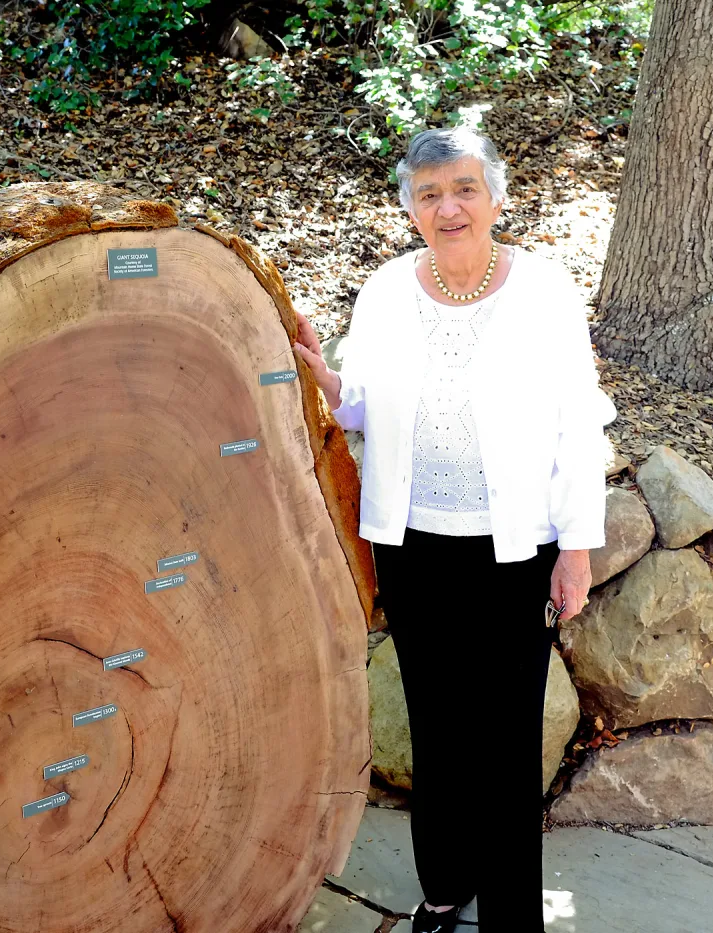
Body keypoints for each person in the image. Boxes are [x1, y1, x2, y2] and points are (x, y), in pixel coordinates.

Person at [291, 127, 616, 933]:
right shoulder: (385, 290)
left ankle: (512, 919)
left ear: (497, 197)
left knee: (504, 745)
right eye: (429, 193)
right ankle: (443, 888)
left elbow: (580, 422)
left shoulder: (543, 292)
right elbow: (362, 404)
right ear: (410, 209)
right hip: (411, 545)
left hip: (512, 550)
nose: (448, 207)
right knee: (435, 727)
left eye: (464, 189)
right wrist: (324, 377)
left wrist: (575, 547)